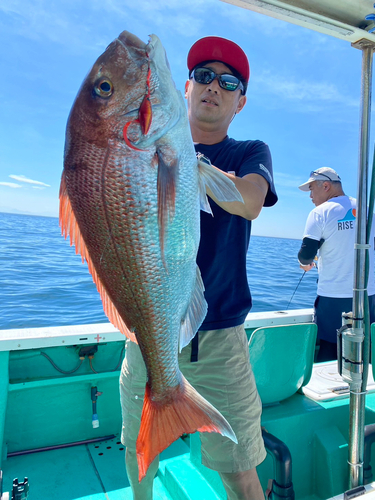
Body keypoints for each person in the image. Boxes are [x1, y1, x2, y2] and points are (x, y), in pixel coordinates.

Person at [120, 36, 278, 500]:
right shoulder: (141, 146)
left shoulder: (250, 152)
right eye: (204, 77)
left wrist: (193, 167)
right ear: (185, 88)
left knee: (239, 465)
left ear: (240, 101)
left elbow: (249, 201)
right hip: (146, 330)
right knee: (138, 447)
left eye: (228, 82)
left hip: (220, 338)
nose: (214, 87)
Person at [298, 167, 375, 362]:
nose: (310, 196)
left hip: (334, 298)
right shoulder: (367, 209)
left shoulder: (319, 213)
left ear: (326, 186)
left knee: (330, 352)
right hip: (369, 296)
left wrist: (307, 264)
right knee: (367, 349)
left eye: (311, 189)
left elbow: (306, 255)